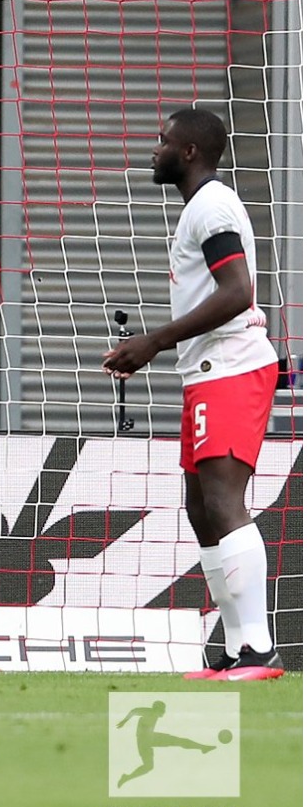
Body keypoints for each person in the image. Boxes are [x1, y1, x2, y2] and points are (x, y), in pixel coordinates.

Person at [103, 108, 283, 682]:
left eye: (162, 141)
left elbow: (238, 292)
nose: (153, 150)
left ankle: (258, 649)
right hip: (206, 371)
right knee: (201, 507)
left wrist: (153, 340)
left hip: (232, 365)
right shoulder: (198, 209)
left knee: (224, 501)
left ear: (188, 152)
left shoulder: (211, 205)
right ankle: (234, 649)